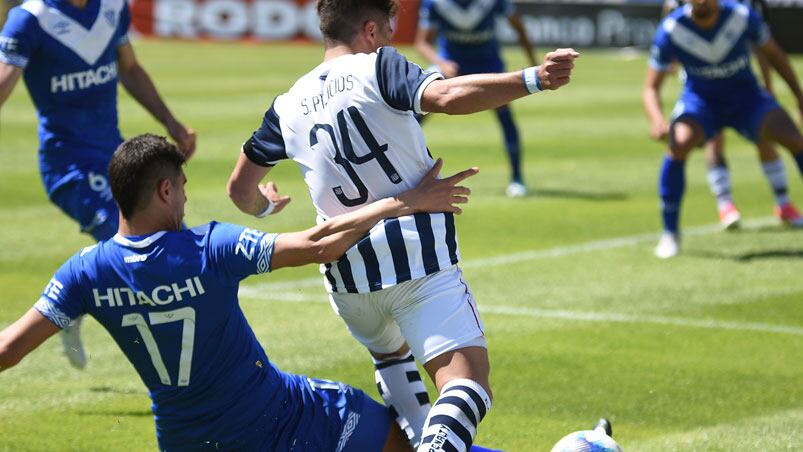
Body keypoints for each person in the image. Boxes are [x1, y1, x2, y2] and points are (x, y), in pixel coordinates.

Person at [226, 1, 577, 449]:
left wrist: (264, 207)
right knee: (467, 386)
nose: (392, 34)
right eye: (388, 25)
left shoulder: (286, 104)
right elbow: (447, 97)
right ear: (369, 29)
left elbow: (240, 189)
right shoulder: (378, 66)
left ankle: (419, 439)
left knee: (391, 357)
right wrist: (534, 78)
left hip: (348, 279)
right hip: (416, 258)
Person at [0, 134, 480, 451]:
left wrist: (265, 211)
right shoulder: (207, 246)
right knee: (398, 438)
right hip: (279, 416)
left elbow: (8, 350)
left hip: (185, 440)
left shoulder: (84, 272)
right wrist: (406, 202)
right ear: (166, 190)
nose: (187, 200)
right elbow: (319, 244)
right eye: (183, 188)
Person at [0, 0, 196, 367]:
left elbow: (131, 69)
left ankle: (75, 306)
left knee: (171, 241)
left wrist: (171, 122)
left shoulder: (112, 8)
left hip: (115, 158)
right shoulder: (29, 19)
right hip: (67, 167)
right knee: (136, 248)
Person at [643, 0, 803, 258]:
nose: (703, 1)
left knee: (794, 138)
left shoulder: (741, 16)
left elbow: (773, 54)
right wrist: (657, 119)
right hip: (701, 102)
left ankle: (783, 203)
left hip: (746, 98)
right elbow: (651, 87)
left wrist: (798, 96)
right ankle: (670, 233)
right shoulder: (672, 29)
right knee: (679, 143)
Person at [415, 0, 537, 198]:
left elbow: (519, 27)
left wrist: (533, 64)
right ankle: (392, 172)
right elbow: (421, 42)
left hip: (489, 66)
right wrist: (441, 62)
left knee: (505, 117)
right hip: (451, 67)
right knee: (415, 112)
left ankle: (517, 179)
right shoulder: (435, 3)